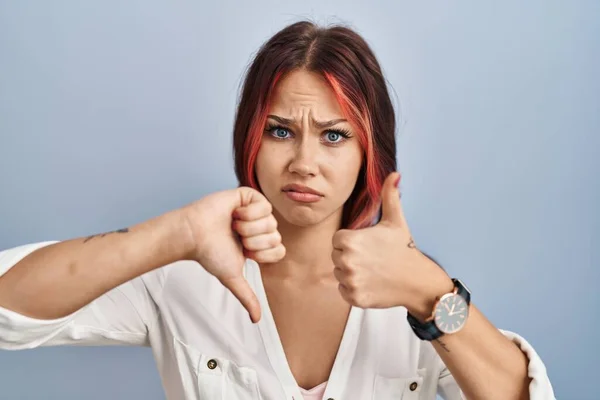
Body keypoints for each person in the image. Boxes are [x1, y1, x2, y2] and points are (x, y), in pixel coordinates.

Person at [0, 20, 554, 400]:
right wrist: (175, 233)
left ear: (370, 150)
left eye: (334, 136)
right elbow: (7, 309)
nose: (304, 162)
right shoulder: (180, 277)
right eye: (281, 131)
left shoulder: (408, 285)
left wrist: (431, 292)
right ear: (250, 138)